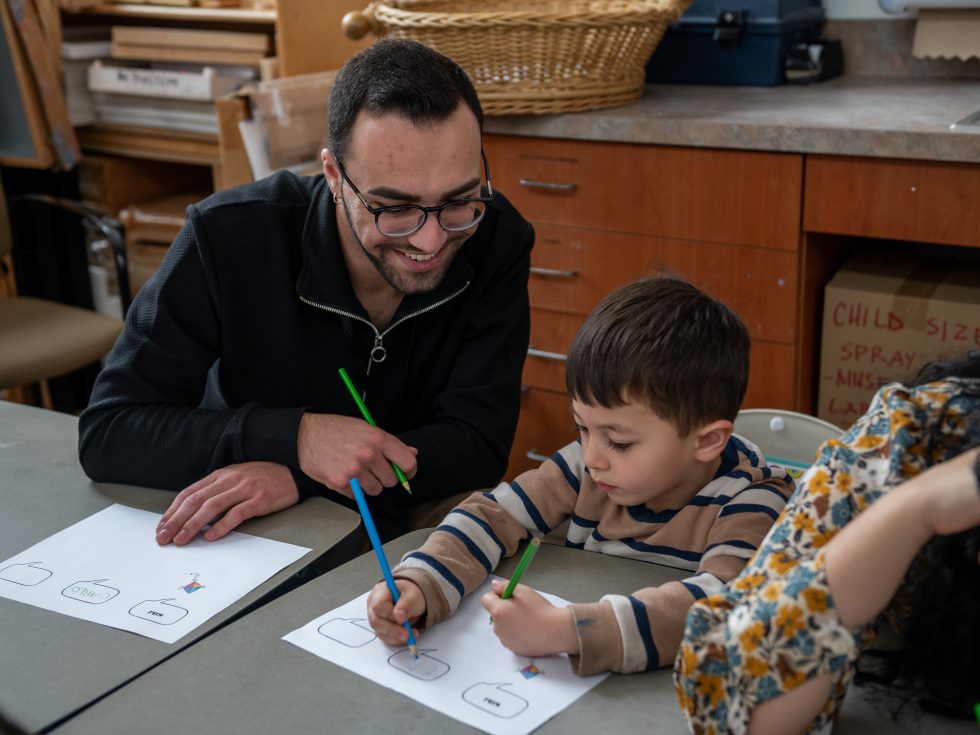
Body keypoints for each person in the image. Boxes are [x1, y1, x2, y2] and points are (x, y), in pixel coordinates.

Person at [77, 39, 534, 543]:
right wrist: (295, 437)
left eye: (459, 199)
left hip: (405, 517)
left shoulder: (497, 238)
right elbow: (110, 432)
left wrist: (302, 474)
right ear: (334, 175)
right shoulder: (228, 236)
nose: (429, 240)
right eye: (393, 208)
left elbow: (478, 443)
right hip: (257, 535)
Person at [366, 275, 795, 675]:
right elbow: (491, 515)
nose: (592, 456)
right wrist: (422, 583)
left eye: (620, 442)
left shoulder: (754, 499)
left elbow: (723, 607)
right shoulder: (584, 468)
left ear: (706, 442)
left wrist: (567, 631)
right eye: (582, 428)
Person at [674, 354, 980, 734]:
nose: (591, 457)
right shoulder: (912, 435)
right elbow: (723, 698)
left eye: (619, 441)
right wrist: (914, 510)